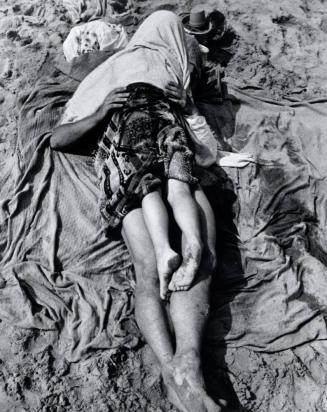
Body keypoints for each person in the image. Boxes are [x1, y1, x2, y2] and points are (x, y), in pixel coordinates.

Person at [50, 10, 236, 412]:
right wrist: (100, 112)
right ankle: (179, 366)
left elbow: (190, 66)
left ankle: (183, 364)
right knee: (166, 256)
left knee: (185, 251)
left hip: (153, 155)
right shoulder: (102, 81)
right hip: (133, 151)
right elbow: (58, 138)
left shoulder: (155, 57)